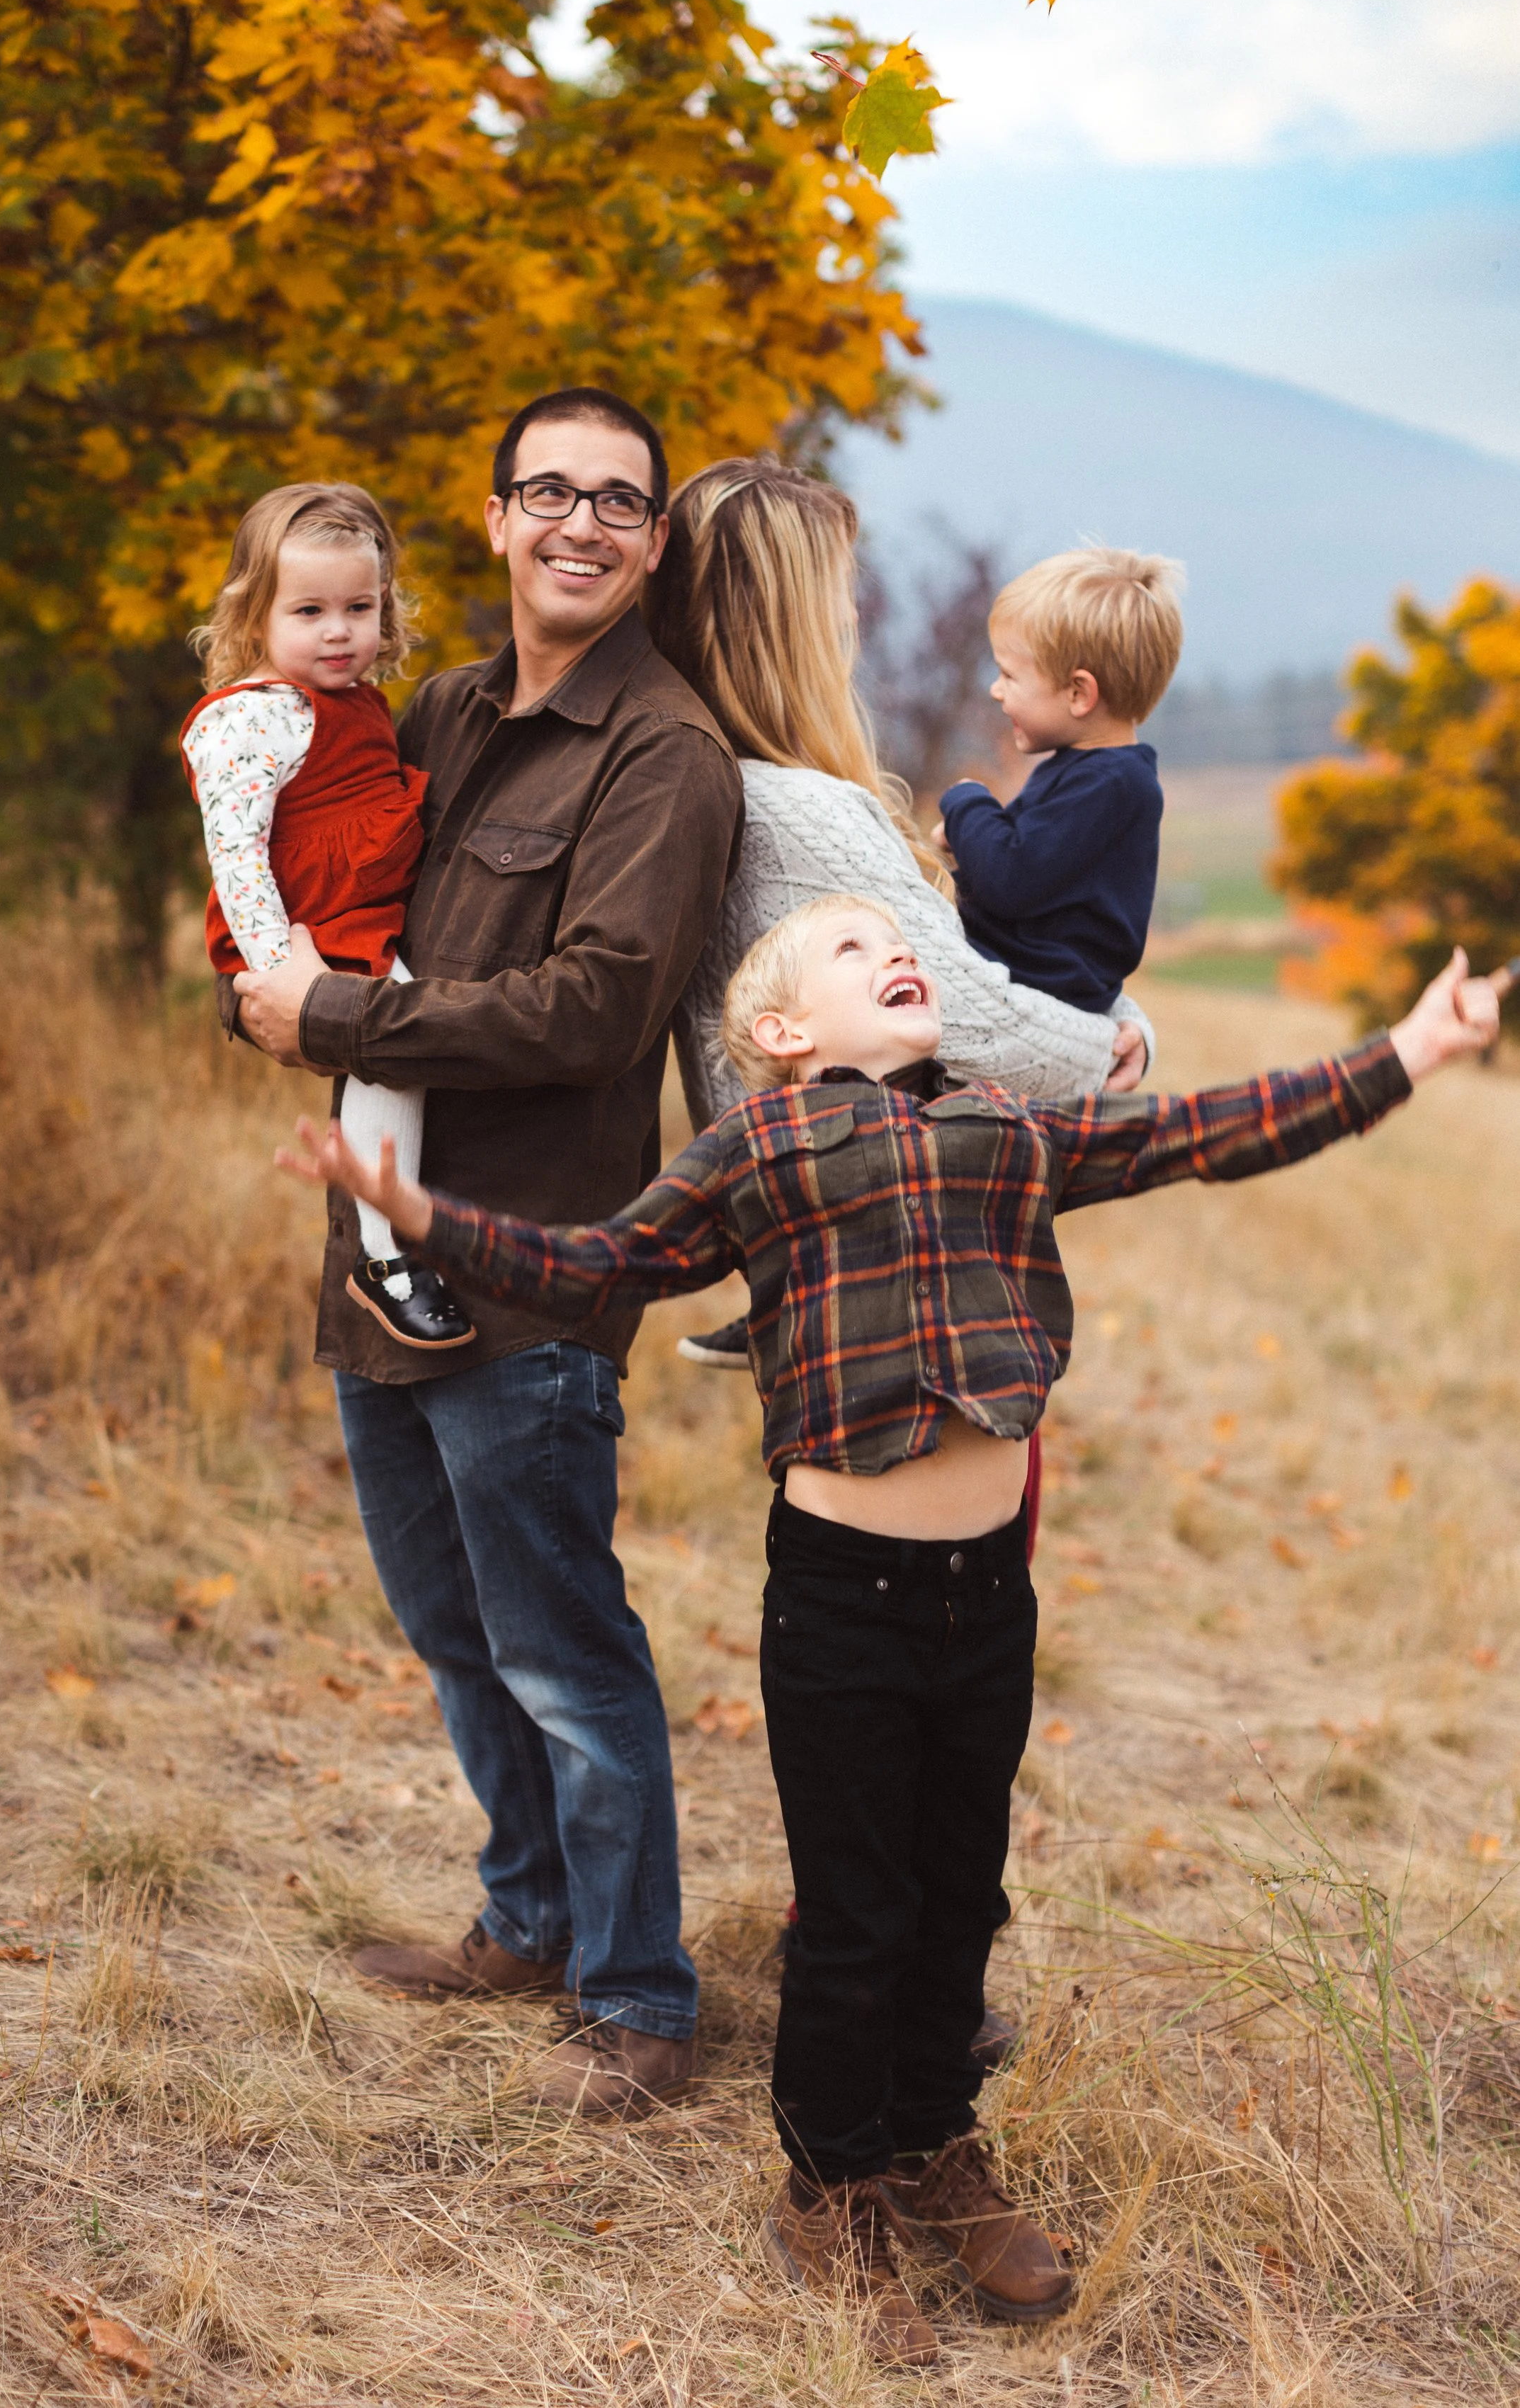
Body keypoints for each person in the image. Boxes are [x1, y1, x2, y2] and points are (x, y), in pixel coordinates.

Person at [277, 893, 1499, 2368]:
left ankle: (930, 2146)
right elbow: (604, 1268)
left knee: (958, 1893)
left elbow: (1214, 1128)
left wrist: (1410, 1049)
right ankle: (830, 2184)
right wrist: (423, 1218)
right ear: (782, 1037)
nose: (894, 954)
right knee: (853, 1917)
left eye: (897, 943)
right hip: (840, 1604)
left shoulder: (1009, 1127)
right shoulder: (759, 1150)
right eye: (851, 952)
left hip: (984, 1597)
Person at [227, 388, 744, 2119]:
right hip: (374, 1258)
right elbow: (321, 881)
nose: (580, 522)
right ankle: (526, 1918)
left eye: (618, 500)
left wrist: (344, 1009)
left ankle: (638, 1991)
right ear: (499, 514)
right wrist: (266, 970)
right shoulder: (430, 705)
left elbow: (597, 1008)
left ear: (652, 540)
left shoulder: (660, 753)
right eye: (550, 491)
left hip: (529, 1276)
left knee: (560, 1643)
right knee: (451, 1625)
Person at [645, 458, 1155, 1375]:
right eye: (841, 590)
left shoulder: (705, 778)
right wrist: (1116, 1042)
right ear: (789, 616)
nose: (851, 617)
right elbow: (987, 1027)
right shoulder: (804, 810)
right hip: (907, 1273)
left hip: (820, 1260)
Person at [181, 482, 472, 1351]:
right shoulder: (250, 717)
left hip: (356, 911)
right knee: (394, 1049)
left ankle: (393, 1242)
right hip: (308, 928)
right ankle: (385, 1256)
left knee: (399, 1046)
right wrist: (281, 976)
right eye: (309, 610)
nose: (339, 630)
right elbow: (236, 854)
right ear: (255, 617)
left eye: (360, 607)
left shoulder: (357, 706)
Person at [935, 545, 1182, 1015]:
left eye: (1009, 675)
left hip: (1039, 977)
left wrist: (965, 803)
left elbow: (1010, 877)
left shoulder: (1110, 784)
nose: (996, 690)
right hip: (1033, 964)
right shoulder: (1095, 774)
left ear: (1078, 693)